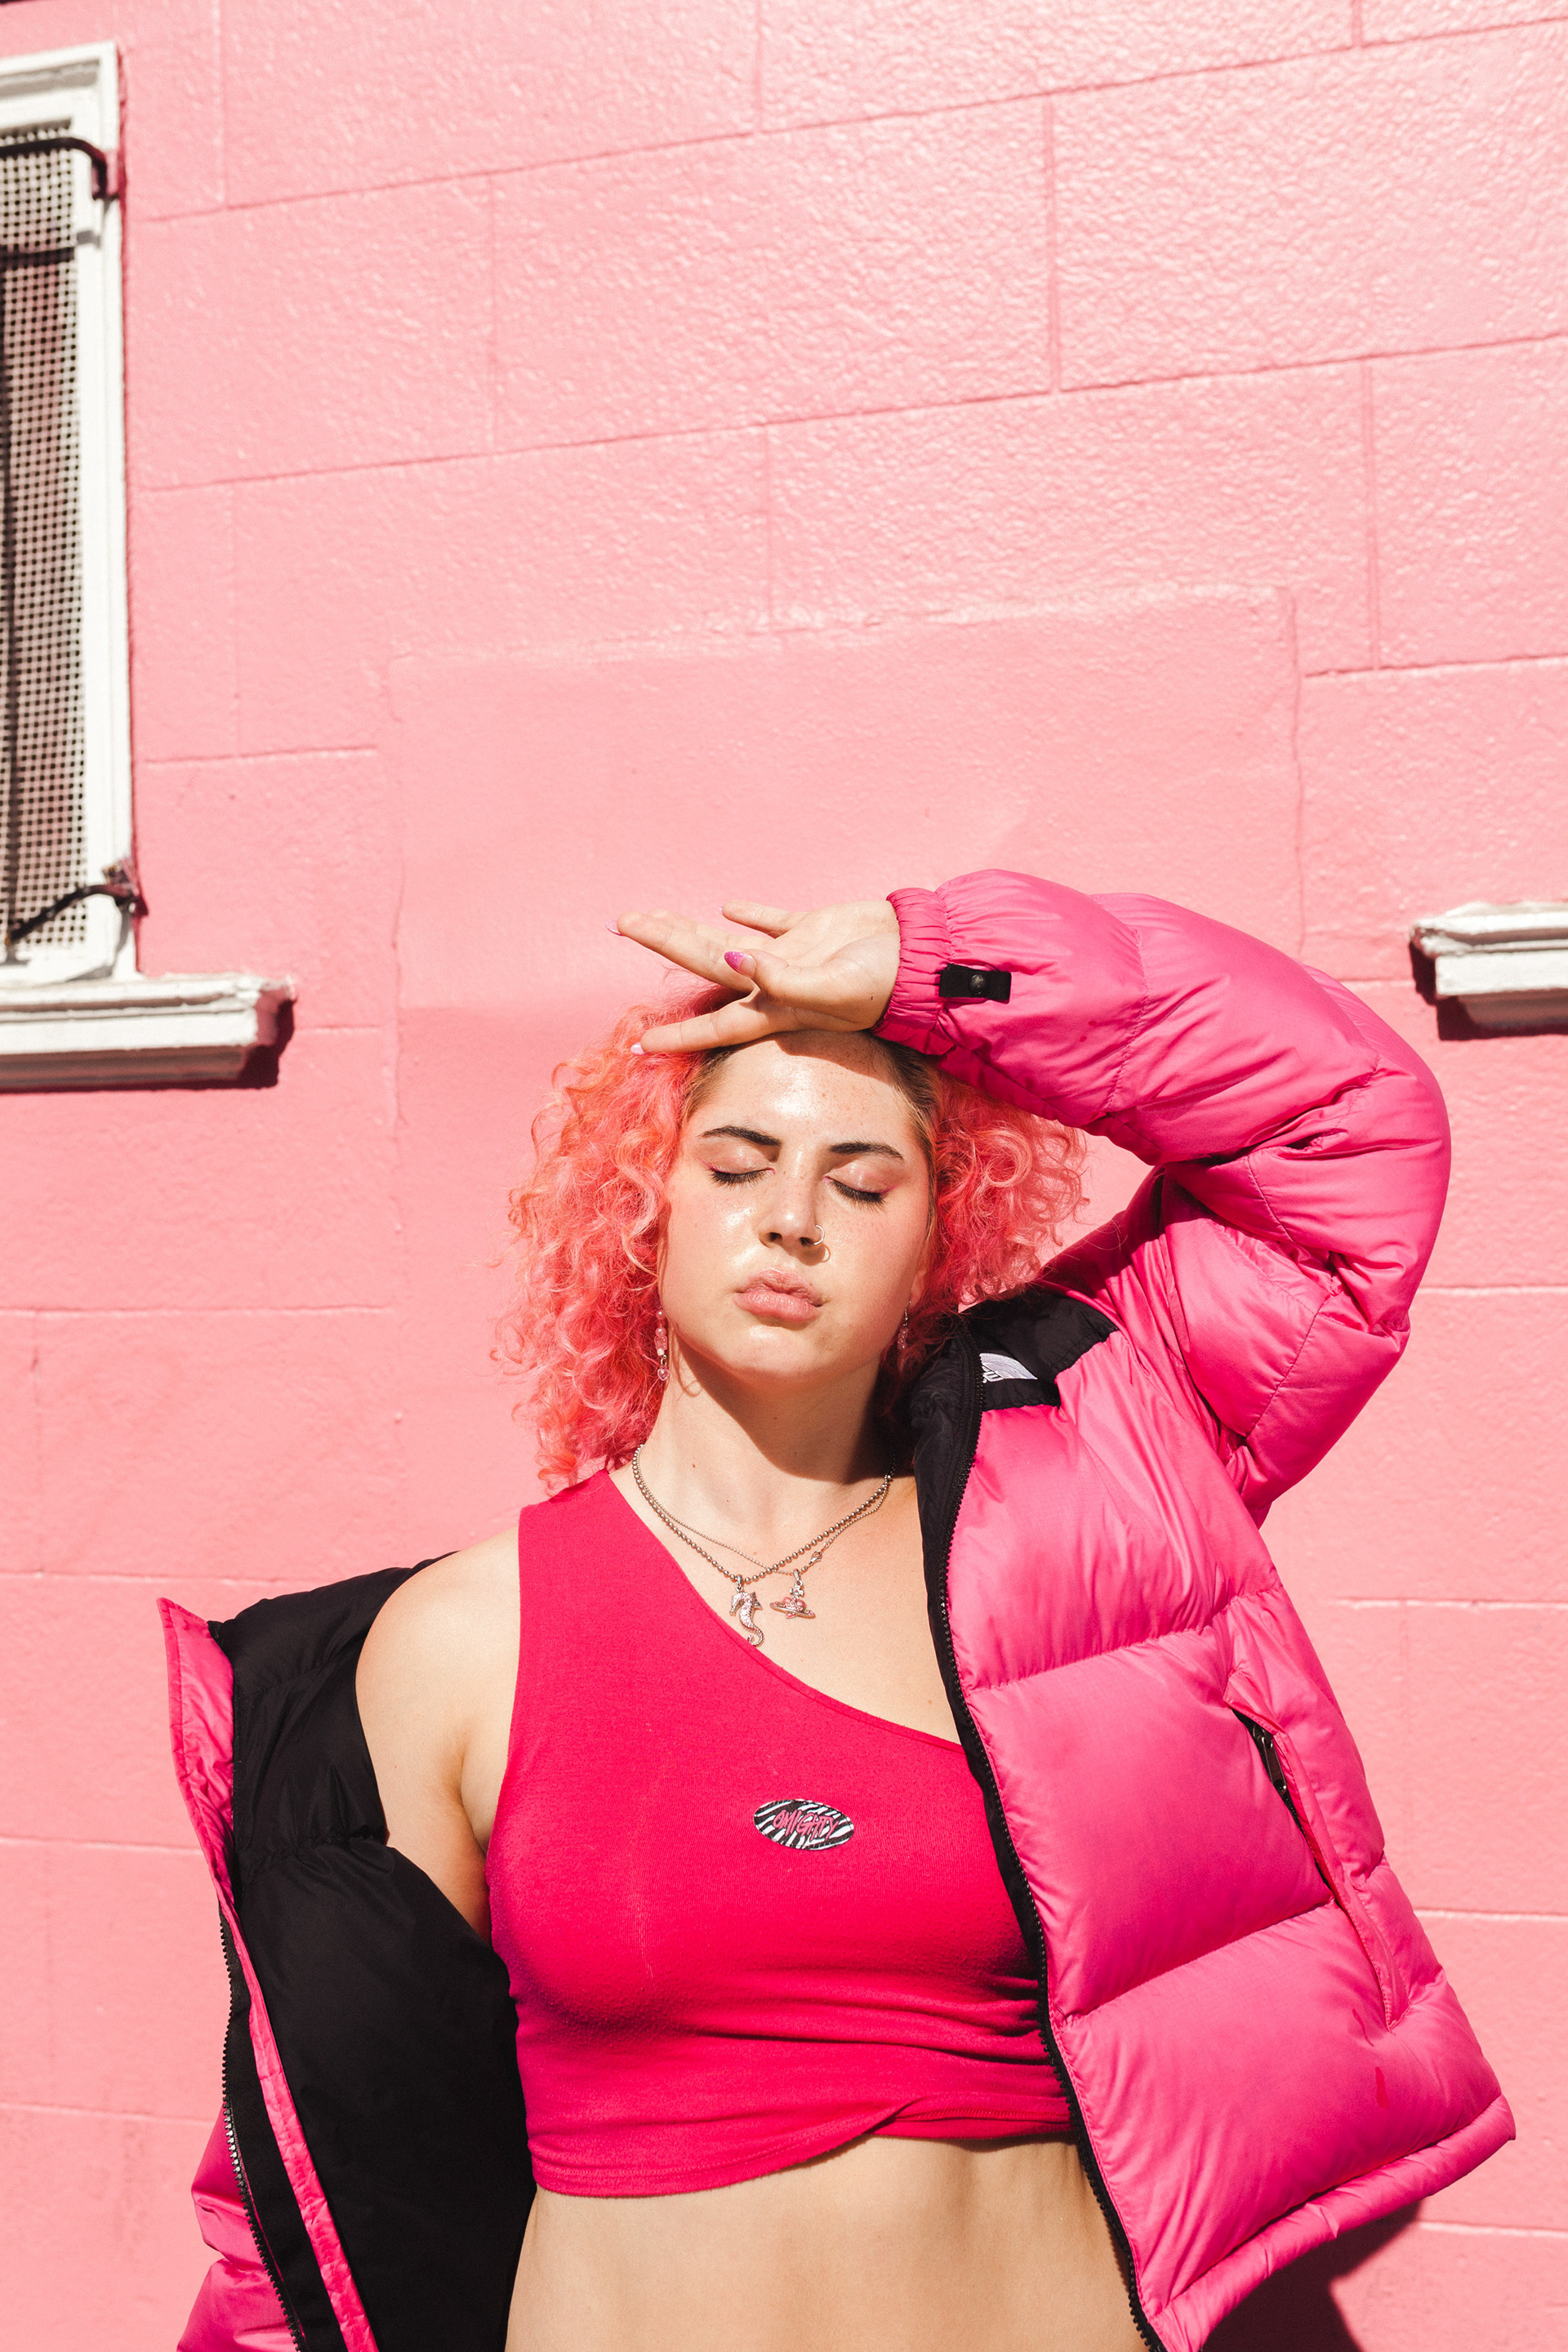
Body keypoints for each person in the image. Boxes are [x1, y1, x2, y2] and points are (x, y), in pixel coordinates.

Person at [163, 871, 1511, 2352]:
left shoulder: (1089, 1485)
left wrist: (937, 974)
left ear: (939, 1235)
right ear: (646, 1206)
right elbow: (323, 2163)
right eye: (737, 1166)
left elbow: (1348, 1135)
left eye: (863, 1183)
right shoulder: (460, 1642)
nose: (793, 1221)